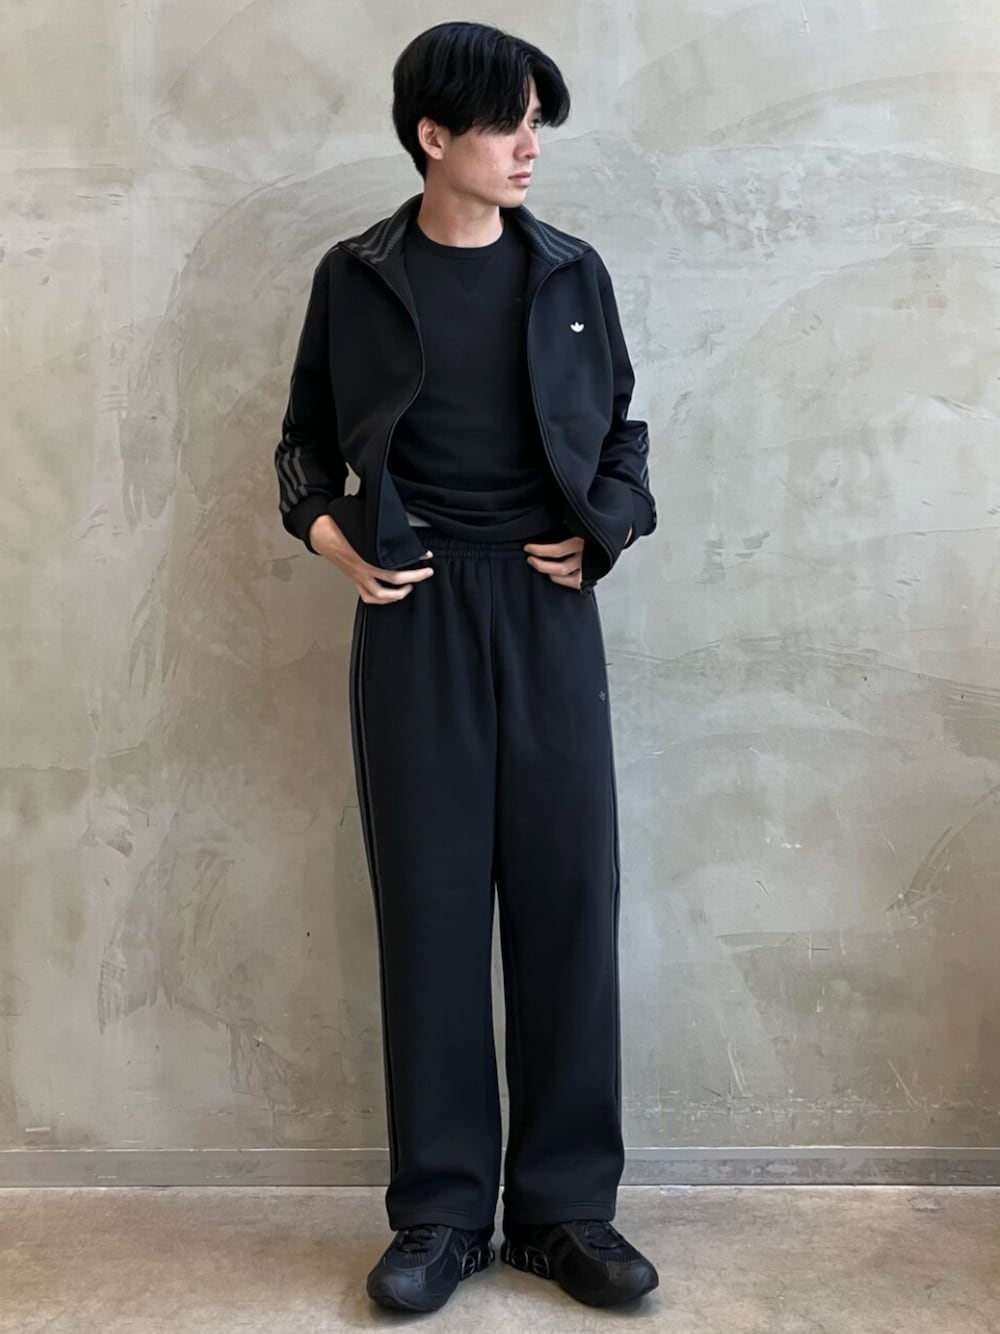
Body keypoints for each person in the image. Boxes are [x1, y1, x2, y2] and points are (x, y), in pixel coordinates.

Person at [273, 20, 659, 1314]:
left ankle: (564, 1213)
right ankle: (442, 1215)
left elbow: (624, 434)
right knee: (432, 913)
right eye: (508, 123)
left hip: (547, 609)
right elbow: (302, 442)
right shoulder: (356, 277)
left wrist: (607, 529)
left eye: (538, 122)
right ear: (434, 135)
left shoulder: (572, 273)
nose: (529, 146)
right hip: (416, 610)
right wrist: (333, 540)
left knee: (568, 903)